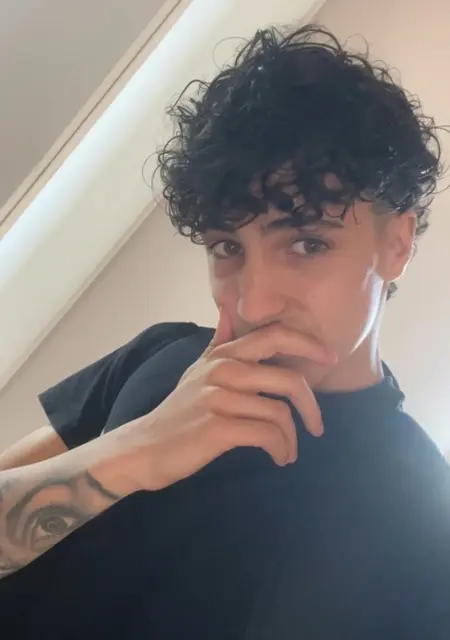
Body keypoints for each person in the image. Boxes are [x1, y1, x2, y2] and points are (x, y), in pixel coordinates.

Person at [0, 24, 449, 640]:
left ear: (396, 243)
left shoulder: (422, 518)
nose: (253, 300)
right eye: (226, 247)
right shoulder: (163, 353)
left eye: (307, 243)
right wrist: (133, 452)